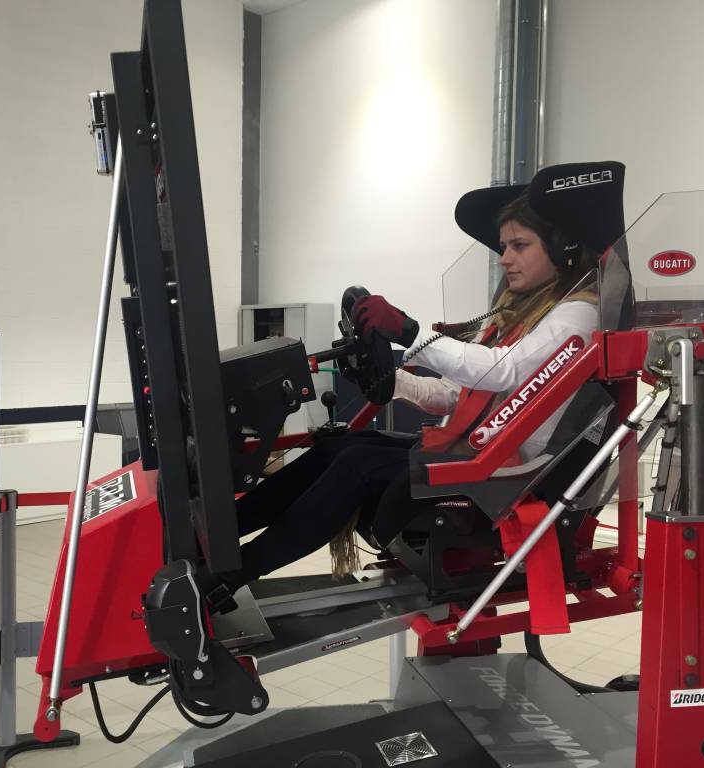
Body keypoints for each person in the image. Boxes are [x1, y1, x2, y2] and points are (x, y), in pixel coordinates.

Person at [201, 193, 600, 612]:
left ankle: (229, 577)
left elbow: (501, 371)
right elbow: (454, 393)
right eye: (503, 247)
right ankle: (216, 539)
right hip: (484, 454)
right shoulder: (521, 315)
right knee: (339, 446)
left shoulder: (577, 316)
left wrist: (409, 331)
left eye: (519, 246)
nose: (504, 259)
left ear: (562, 248)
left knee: (358, 464)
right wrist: (392, 381)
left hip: (513, 476)